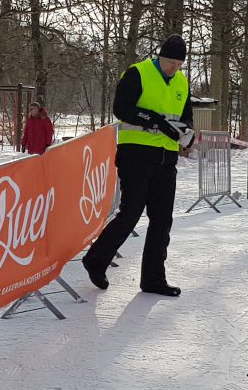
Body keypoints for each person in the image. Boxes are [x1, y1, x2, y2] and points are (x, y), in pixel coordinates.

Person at [81, 34, 195, 296]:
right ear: (160, 57)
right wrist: (154, 120)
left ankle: (153, 279)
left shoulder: (181, 81)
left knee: (162, 220)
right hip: (136, 155)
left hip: (167, 158)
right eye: (171, 63)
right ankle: (96, 259)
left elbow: (186, 115)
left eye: (179, 64)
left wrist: (188, 132)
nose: (175, 68)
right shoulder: (138, 73)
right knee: (131, 212)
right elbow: (121, 108)